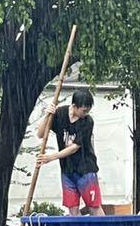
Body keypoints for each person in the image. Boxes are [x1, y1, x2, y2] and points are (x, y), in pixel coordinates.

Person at [36, 88, 105, 216]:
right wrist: (47, 115)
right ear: (74, 106)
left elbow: (75, 147)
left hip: (86, 169)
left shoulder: (87, 121)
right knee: (73, 208)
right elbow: (40, 134)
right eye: (84, 110)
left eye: (88, 110)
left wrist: (51, 157)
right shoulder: (60, 114)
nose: (86, 113)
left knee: (93, 206)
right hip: (67, 169)